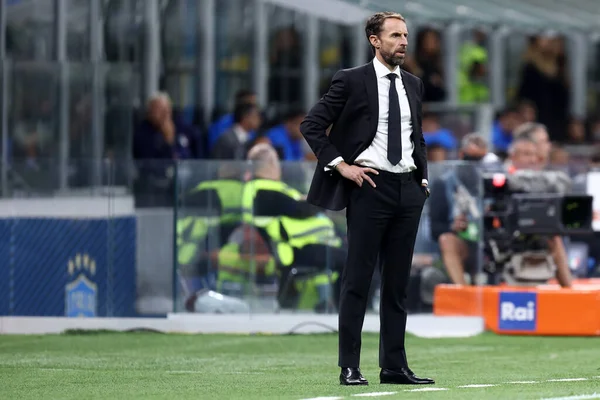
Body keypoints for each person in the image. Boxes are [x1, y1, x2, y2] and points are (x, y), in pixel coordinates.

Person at [300, 12, 433, 386]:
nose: (403, 41)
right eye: (395, 35)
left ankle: (393, 366)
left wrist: (423, 181)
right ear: (375, 40)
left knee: (397, 285)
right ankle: (349, 367)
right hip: (369, 188)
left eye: (405, 35)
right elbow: (311, 124)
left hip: (408, 190)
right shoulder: (351, 80)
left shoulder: (414, 84)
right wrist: (341, 165)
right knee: (358, 280)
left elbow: (415, 137)